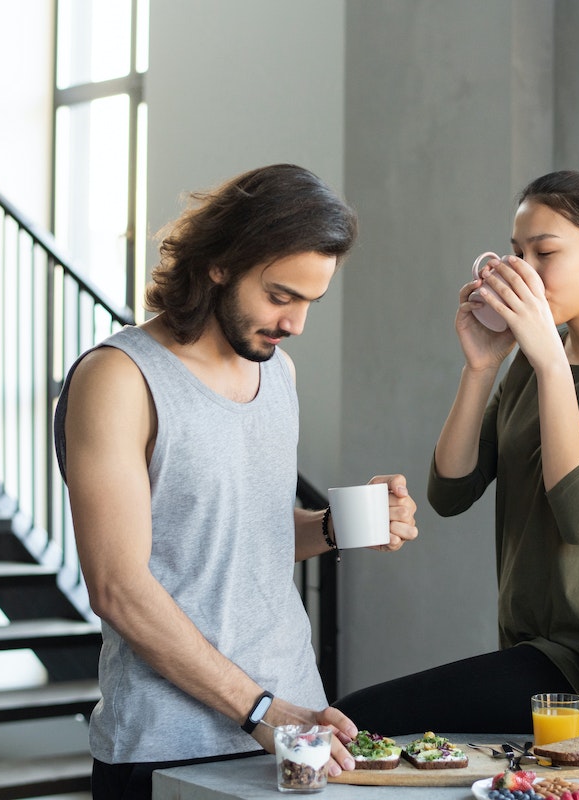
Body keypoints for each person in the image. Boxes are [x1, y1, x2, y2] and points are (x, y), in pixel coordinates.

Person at [53, 163, 419, 800]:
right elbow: (117, 586)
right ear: (220, 263)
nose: (296, 323)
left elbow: (244, 536)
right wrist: (260, 711)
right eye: (280, 296)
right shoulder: (118, 378)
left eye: (310, 301)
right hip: (168, 745)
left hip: (298, 734)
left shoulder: (279, 375)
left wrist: (340, 527)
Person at [335, 161, 579, 738]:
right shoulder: (534, 358)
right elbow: (451, 492)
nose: (523, 272)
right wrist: (482, 367)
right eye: (516, 253)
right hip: (527, 651)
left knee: (358, 721)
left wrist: (550, 362)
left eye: (544, 253)